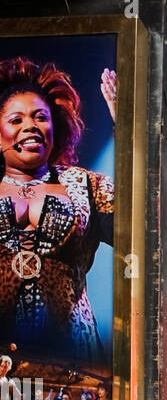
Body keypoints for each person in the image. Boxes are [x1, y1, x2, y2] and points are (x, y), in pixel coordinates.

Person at [0, 58, 116, 368]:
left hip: (72, 362)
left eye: (40, 117)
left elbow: (143, 223)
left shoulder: (84, 184)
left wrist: (128, 131)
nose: (30, 126)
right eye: (16, 120)